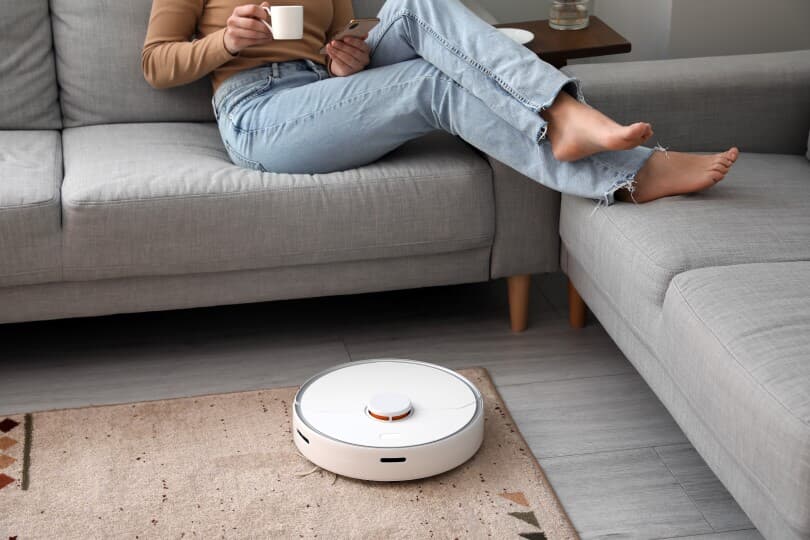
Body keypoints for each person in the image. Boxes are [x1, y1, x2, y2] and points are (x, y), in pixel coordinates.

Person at [142, 0, 738, 204]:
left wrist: (342, 56)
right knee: (432, 84)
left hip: (319, 91)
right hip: (259, 116)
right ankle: (629, 173)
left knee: (420, 4)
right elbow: (155, 63)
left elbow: (342, 40)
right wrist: (224, 41)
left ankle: (564, 113)